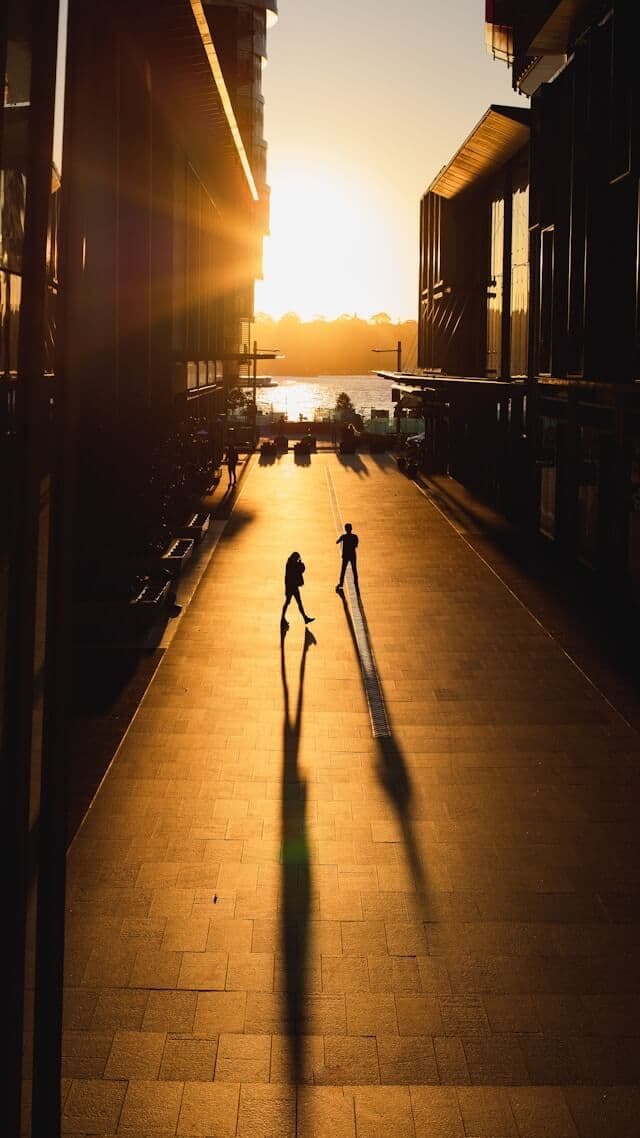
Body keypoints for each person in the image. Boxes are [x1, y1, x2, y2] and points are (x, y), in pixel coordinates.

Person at [282, 552, 315, 629]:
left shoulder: (290, 563)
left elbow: (301, 569)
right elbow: (301, 569)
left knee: (294, 603)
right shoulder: (291, 565)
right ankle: (283, 618)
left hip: (292, 587)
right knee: (289, 602)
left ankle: (304, 618)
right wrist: (300, 563)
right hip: (291, 587)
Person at [336, 522, 359, 592]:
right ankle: (356, 582)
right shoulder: (355, 537)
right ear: (351, 529)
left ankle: (341, 583)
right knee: (354, 569)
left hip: (346, 555)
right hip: (352, 555)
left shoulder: (344, 537)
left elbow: (337, 541)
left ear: (345, 529)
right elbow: (356, 545)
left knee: (343, 570)